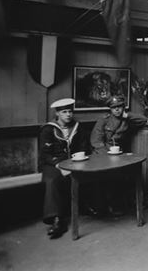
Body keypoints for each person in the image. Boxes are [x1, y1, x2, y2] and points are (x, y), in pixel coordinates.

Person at [89, 95, 148, 216]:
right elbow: (96, 141)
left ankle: (123, 203)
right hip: (102, 154)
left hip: (119, 153)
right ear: (110, 109)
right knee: (108, 175)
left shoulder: (126, 119)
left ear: (123, 108)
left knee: (129, 172)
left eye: (119, 107)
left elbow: (144, 120)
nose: (117, 110)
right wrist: (108, 155)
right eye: (114, 108)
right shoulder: (104, 120)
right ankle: (107, 205)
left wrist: (127, 116)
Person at [39, 98, 89, 239]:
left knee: (89, 173)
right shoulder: (48, 129)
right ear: (57, 114)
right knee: (52, 180)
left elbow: (84, 147)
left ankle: (90, 206)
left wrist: (80, 157)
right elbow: (45, 155)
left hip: (73, 161)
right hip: (52, 164)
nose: (68, 114)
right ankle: (56, 220)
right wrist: (60, 166)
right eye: (64, 112)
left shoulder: (78, 127)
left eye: (70, 111)